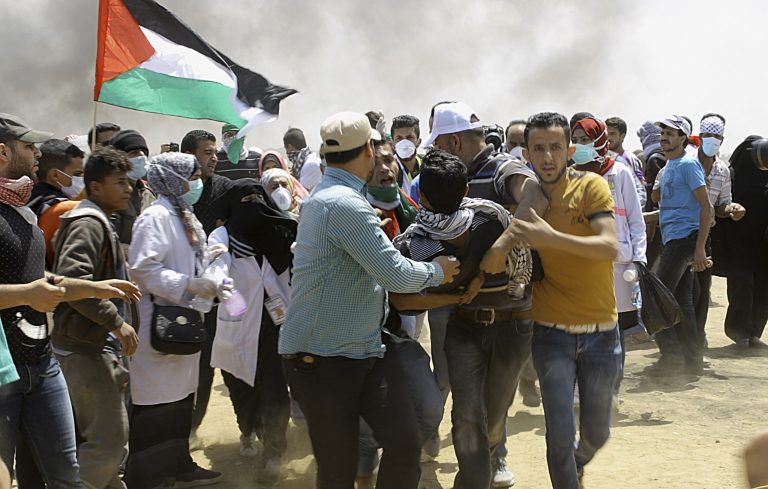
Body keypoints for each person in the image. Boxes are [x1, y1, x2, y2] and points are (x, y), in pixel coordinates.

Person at [279, 111, 460, 489]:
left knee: (404, 443)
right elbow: (394, 274)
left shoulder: (331, 198)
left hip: (362, 351)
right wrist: (440, 270)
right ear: (367, 151)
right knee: (338, 471)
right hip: (325, 359)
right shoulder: (345, 204)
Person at [0, 112, 140, 489]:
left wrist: (93, 288)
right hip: (4, 373)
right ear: (2, 153)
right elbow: (28, 288)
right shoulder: (77, 217)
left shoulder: (23, 212)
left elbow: (41, 279)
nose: (37, 155)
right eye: (29, 147)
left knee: (66, 476)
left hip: (41, 365)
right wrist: (28, 295)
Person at [421, 101, 547, 488]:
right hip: (457, 313)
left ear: (455, 140)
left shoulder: (501, 170)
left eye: (439, 144)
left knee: (495, 406)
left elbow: (537, 195)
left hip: (507, 317)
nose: (433, 152)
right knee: (461, 403)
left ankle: (496, 457)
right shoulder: (443, 176)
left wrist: (502, 245)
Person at [508, 111, 620, 489]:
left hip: (602, 335)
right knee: (557, 431)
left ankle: (579, 461)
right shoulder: (527, 202)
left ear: (569, 150)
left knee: (597, 433)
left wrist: (550, 238)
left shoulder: (590, 187)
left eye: (555, 147)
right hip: (550, 335)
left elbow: (608, 246)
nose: (548, 157)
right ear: (526, 154)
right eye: (538, 149)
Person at [125, 152, 223, 488]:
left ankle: (179, 466)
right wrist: (189, 285)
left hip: (185, 322)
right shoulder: (155, 217)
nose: (197, 182)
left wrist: (210, 263)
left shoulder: (186, 217)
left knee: (181, 400)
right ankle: (149, 478)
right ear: (172, 178)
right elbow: (144, 268)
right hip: (159, 322)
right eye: (191, 175)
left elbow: (189, 258)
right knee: (155, 405)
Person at [51, 147, 140, 489]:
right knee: (107, 444)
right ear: (96, 187)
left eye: (129, 182)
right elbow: (73, 281)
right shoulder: (88, 223)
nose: (128, 189)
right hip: (84, 349)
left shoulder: (97, 219)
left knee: (107, 446)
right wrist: (116, 322)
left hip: (88, 346)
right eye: (120, 182)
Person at [208, 179, 297, 484]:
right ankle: (247, 430)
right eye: (244, 200)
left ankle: (273, 450)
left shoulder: (282, 231)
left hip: (276, 323)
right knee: (241, 386)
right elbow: (216, 267)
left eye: (257, 198)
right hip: (240, 321)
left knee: (275, 388)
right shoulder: (223, 236)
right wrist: (227, 293)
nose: (253, 206)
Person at [571, 117, 646, 398]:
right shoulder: (570, 176)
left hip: (618, 264)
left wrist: (638, 260)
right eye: (575, 140)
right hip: (581, 264)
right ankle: (580, 390)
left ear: (600, 141)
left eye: (585, 140)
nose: (578, 146)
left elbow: (637, 222)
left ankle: (609, 391)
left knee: (613, 330)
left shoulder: (620, 173)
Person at [181, 129, 234, 445]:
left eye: (215, 152)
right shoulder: (177, 194)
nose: (214, 158)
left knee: (233, 354)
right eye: (207, 152)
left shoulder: (225, 189)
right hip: (187, 297)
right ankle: (190, 431)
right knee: (198, 366)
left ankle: (250, 429)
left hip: (228, 295)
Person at [650, 115, 713, 377]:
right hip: (672, 238)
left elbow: (706, 208)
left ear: (683, 138)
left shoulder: (689, 165)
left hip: (685, 239)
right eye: (662, 133)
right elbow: (670, 207)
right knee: (682, 302)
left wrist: (699, 249)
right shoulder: (668, 168)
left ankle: (672, 357)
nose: (664, 137)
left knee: (656, 296)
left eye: (671, 133)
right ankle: (692, 361)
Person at [719, 136, 768, 348]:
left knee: (763, 288)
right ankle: (738, 332)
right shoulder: (732, 176)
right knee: (742, 285)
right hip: (738, 241)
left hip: (763, 243)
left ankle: (755, 332)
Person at [27, 139, 85, 267]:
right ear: (55, 175)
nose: (82, 179)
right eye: (77, 173)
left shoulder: (27, 196)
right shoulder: (63, 209)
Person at [106, 129, 156, 247]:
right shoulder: (109, 194)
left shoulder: (148, 193)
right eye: (134, 152)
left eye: (143, 152)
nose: (141, 156)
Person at [366, 139, 418, 241]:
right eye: (374, 163)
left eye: (388, 160)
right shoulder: (362, 213)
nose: (384, 168)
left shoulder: (406, 202)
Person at [605, 116, 647, 207]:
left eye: (612, 134)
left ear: (622, 136)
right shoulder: (603, 159)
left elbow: (639, 188)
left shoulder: (630, 159)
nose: (608, 137)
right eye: (606, 134)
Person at [390, 115, 422, 198]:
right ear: (393, 144)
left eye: (409, 138)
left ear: (418, 142)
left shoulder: (427, 165)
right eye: (399, 138)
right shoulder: (389, 171)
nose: (404, 143)